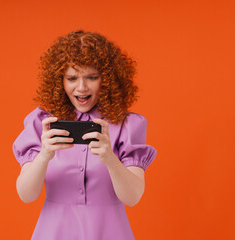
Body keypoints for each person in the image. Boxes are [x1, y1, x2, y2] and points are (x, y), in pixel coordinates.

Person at [12, 30, 157, 240]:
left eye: (91, 77)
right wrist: (44, 155)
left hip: (110, 233)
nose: (81, 87)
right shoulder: (42, 123)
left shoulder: (128, 125)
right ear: (59, 81)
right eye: (72, 78)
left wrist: (110, 159)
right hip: (54, 233)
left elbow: (133, 197)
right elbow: (26, 195)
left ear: (106, 79)